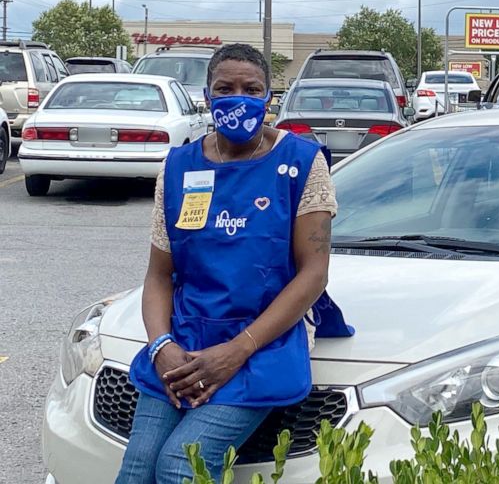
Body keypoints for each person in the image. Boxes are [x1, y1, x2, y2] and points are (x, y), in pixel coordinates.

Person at [116, 43, 350, 483]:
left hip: (261, 344)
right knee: (136, 469)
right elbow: (159, 275)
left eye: (251, 88)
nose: (237, 97)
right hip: (186, 339)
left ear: (268, 97)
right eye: (225, 88)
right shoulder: (180, 167)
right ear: (207, 96)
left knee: (178, 465)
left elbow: (313, 274)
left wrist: (236, 351)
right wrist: (161, 347)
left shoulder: (301, 163)